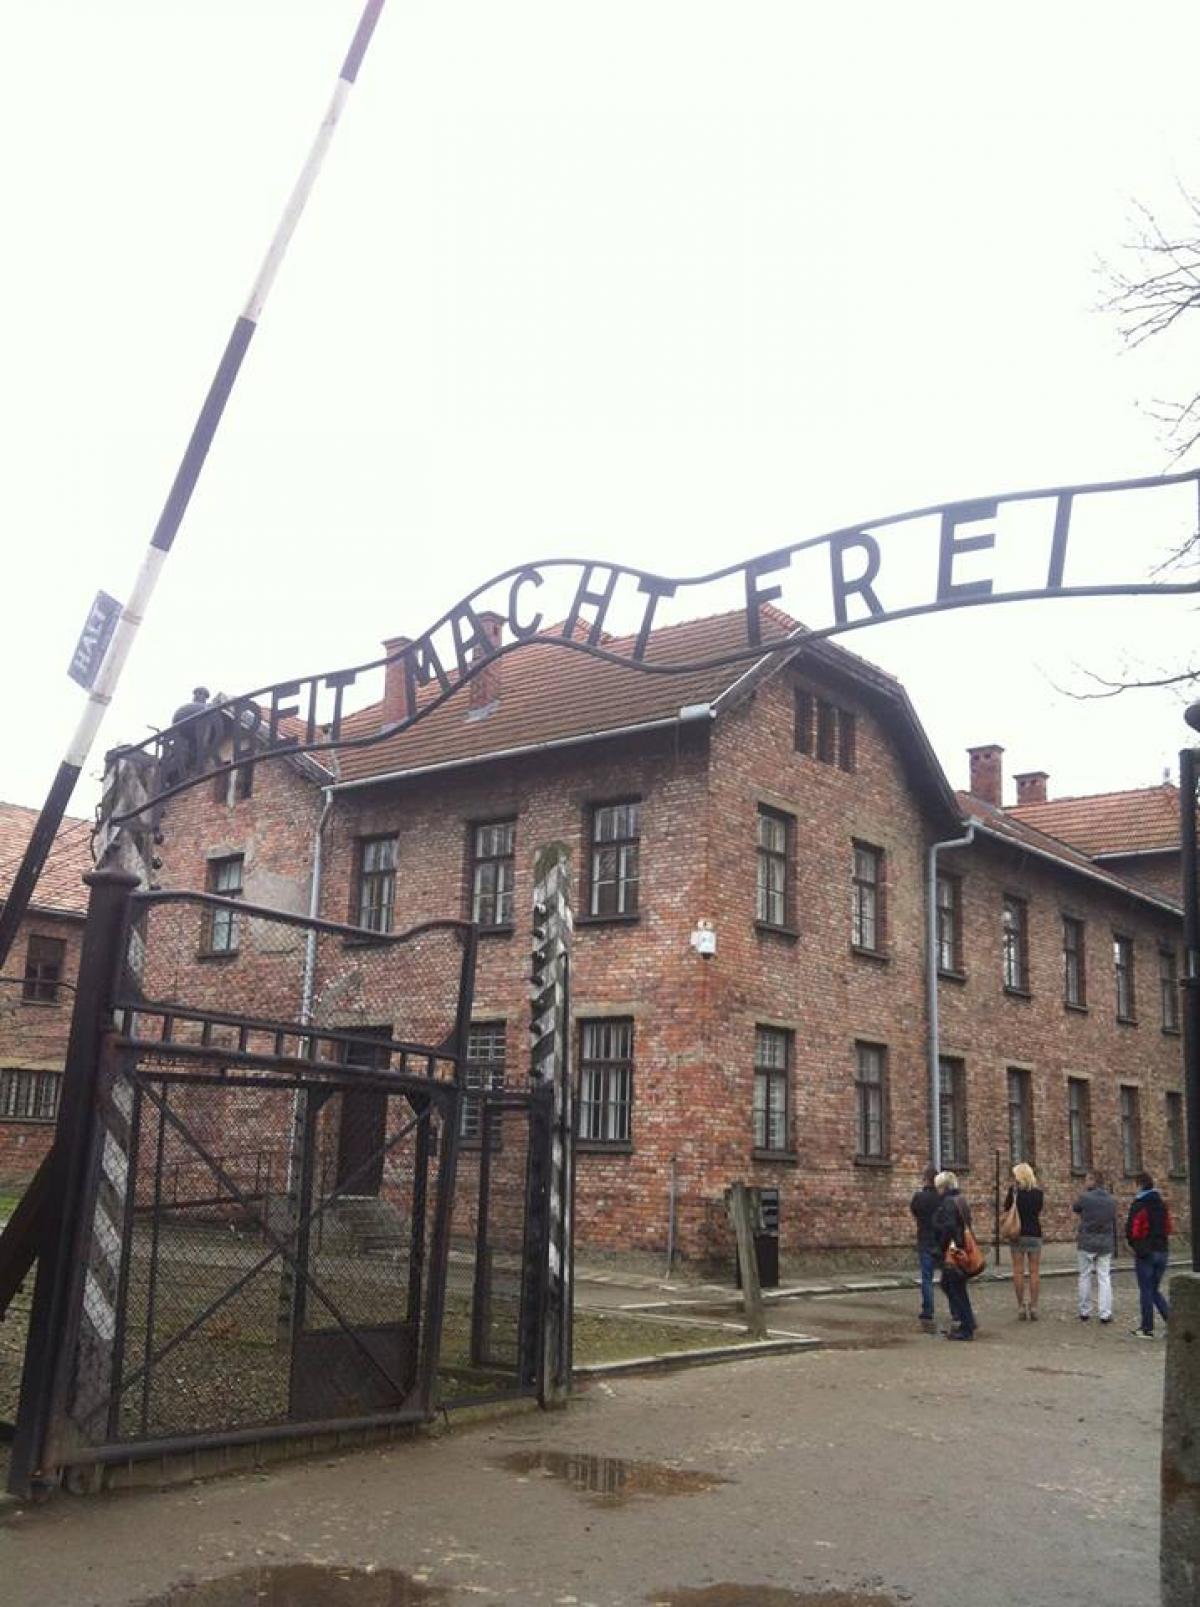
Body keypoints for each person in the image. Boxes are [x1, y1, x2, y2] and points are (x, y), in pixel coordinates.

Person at [1125, 1171, 1171, 1338]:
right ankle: (1172, 1321)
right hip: (1162, 1250)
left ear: (1139, 1185)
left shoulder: (1140, 1204)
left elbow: (1133, 1229)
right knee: (1154, 1289)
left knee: (1146, 1290)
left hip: (1146, 1252)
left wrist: (1134, 1246)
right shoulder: (1162, 1204)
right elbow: (1168, 1227)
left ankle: (1147, 1327)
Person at [932, 1170, 976, 1340]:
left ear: (943, 1187)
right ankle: (968, 1321)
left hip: (953, 1251)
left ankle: (967, 1326)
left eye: (938, 1188)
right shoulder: (960, 1200)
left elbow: (949, 1227)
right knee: (953, 1286)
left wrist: (942, 1246)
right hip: (960, 1249)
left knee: (954, 1287)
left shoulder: (948, 1202)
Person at [1072, 1170, 1118, 1324]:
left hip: (1086, 1241)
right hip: (1105, 1242)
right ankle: (1105, 1312)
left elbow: (1076, 1208)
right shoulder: (1111, 1200)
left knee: (1084, 1276)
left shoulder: (1084, 1198)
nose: (1085, 1182)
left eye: (1087, 1179)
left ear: (1093, 1181)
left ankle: (1084, 1310)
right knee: (1104, 1277)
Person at [1002, 1161, 1044, 1320]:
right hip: (1034, 1234)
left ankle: (1020, 1307)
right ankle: (1034, 1307)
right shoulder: (1038, 1193)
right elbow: (1038, 1210)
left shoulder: (1013, 1193)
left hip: (1016, 1234)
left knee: (1018, 1271)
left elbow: (1006, 1210)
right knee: (1034, 1272)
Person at [910, 1164, 941, 1324]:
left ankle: (928, 1310)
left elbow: (914, 1212)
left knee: (927, 1278)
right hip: (942, 1242)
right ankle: (956, 1311)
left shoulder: (919, 1198)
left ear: (925, 1179)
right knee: (950, 1278)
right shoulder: (942, 1198)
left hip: (925, 1240)